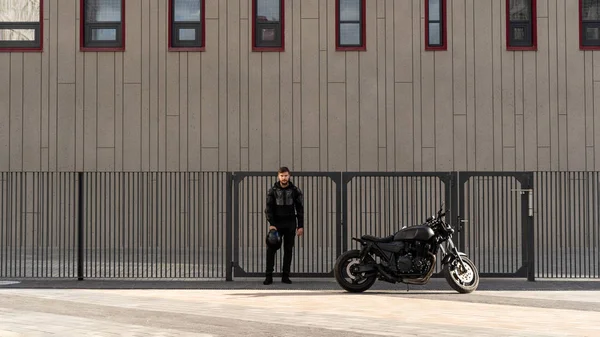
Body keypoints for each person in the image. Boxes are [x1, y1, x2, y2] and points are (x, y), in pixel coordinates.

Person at [263, 166, 304, 285]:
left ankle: (285, 276)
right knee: (271, 249)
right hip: (276, 225)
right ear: (278, 176)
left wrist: (300, 226)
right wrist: (271, 224)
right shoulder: (273, 190)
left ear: (289, 176)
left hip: (290, 224)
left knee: (288, 250)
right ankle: (268, 276)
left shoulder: (295, 190)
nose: (284, 178)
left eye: (286, 175)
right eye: (282, 176)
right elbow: (268, 209)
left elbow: (300, 209)